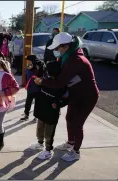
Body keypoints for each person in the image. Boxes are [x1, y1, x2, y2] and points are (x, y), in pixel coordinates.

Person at [34, 32, 99, 162]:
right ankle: (70, 142)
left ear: (66, 46)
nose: (57, 51)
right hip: (75, 94)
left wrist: (42, 82)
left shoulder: (76, 60)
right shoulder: (66, 57)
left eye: (58, 48)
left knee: (77, 123)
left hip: (87, 96)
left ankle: (75, 152)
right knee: (69, 118)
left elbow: (59, 82)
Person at [29, 61, 69, 160]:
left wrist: (59, 104)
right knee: (40, 128)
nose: (47, 73)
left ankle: (48, 150)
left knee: (49, 132)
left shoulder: (61, 85)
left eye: (48, 71)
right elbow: (37, 81)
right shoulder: (45, 79)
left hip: (51, 112)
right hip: (42, 108)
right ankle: (39, 143)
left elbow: (67, 97)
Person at [20, 55, 40, 121]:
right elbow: (26, 77)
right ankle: (26, 115)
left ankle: (36, 117)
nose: (28, 62)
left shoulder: (38, 69)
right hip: (30, 89)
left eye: (29, 61)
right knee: (28, 103)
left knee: (37, 104)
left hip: (37, 89)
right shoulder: (27, 68)